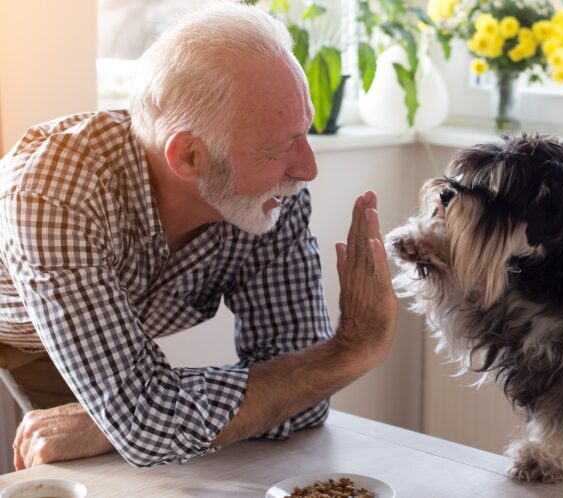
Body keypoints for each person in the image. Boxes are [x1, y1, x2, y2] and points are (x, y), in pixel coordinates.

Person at [0, 4, 398, 469]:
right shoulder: (54, 194)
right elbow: (149, 425)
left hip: (100, 331)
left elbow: (305, 398)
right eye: (279, 147)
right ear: (189, 157)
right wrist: (351, 351)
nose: (308, 168)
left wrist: (132, 416)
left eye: (304, 131)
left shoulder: (272, 197)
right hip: (16, 331)